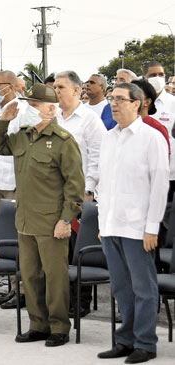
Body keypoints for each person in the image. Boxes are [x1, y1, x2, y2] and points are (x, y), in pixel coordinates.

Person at [0, 84, 85, 347]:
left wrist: (66, 219)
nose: (29, 110)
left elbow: (75, 186)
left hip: (52, 220)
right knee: (30, 275)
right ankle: (38, 324)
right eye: (28, 105)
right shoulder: (23, 135)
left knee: (55, 276)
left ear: (51, 109)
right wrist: (3, 120)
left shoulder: (63, 141)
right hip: (26, 219)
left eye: (34, 105)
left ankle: (59, 327)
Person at [96, 83, 169, 363]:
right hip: (112, 225)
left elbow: (159, 186)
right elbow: (105, 184)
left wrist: (152, 228)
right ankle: (125, 340)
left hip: (138, 228)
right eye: (111, 99)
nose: (114, 104)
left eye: (120, 99)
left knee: (143, 289)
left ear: (137, 103)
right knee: (121, 289)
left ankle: (145, 343)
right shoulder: (109, 138)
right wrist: (103, 223)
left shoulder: (151, 138)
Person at [53, 70, 106, 318]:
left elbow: (97, 157)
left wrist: (89, 191)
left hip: (79, 195)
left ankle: (81, 301)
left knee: (79, 249)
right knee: (59, 250)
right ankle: (61, 299)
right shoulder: (53, 117)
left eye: (61, 87)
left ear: (76, 90)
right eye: (55, 87)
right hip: (53, 195)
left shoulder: (88, 119)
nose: (57, 91)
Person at [0, 71, 28, 309]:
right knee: (8, 240)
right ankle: (14, 287)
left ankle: (24, 289)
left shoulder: (21, 111)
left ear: (10, 87)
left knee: (21, 240)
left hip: (15, 184)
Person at [144, 61, 175, 199]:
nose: (158, 78)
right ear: (145, 77)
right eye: (153, 75)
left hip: (170, 174)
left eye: (161, 75)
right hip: (142, 173)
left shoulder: (172, 103)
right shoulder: (138, 103)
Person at [131, 79, 171, 152]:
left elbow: (163, 160)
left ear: (147, 102)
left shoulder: (157, 128)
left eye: (134, 95)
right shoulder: (121, 125)